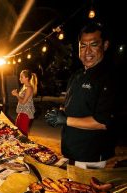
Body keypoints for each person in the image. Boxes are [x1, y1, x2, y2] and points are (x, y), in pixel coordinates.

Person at [45, 22, 116, 169]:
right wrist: (59, 112)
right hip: (70, 151)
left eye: (94, 44)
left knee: (85, 190)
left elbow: (102, 122)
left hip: (91, 156)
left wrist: (65, 119)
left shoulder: (109, 77)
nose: (87, 51)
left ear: (105, 45)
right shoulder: (76, 75)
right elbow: (72, 105)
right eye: (83, 46)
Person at [11, 69, 38, 136]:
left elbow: (23, 102)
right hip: (22, 112)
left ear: (27, 78)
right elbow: (21, 100)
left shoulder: (29, 88)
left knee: (22, 133)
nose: (20, 78)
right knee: (17, 131)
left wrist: (16, 94)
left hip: (26, 113)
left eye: (21, 77)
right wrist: (17, 94)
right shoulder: (24, 87)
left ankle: (24, 145)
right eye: (20, 76)